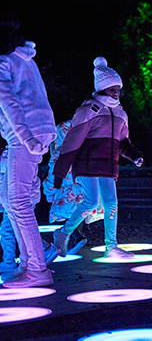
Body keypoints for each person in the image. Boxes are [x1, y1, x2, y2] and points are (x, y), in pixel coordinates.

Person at [53, 57, 143, 259]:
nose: (116, 92)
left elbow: (122, 143)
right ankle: (63, 232)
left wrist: (134, 155)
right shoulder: (88, 110)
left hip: (109, 167)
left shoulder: (121, 113)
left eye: (117, 88)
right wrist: (59, 173)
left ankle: (111, 246)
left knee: (112, 204)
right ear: (101, 88)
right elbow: (71, 142)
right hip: (86, 165)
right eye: (112, 88)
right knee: (91, 202)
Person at [0, 16, 57, 288]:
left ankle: (36, 268)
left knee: (18, 203)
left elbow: (9, 102)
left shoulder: (3, 62)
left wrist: (25, 137)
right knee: (12, 202)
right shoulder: (24, 59)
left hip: (24, 135)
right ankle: (28, 264)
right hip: (36, 131)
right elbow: (39, 95)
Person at [43, 120, 103, 255]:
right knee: (78, 214)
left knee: (66, 214)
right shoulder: (85, 154)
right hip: (83, 192)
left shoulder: (59, 156)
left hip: (65, 193)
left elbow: (53, 174)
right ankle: (77, 237)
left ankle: (76, 237)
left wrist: (48, 190)